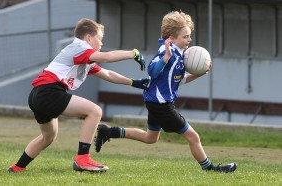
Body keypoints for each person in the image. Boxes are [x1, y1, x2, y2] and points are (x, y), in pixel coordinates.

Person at [94, 11, 237, 173]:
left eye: (189, 36)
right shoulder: (166, 52)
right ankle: (210, 168)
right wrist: (166, 58)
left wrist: (199, 73)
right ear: (172, 38)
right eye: (185, 36)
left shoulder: (179, 54)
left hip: (156, 102)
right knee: (193, 136)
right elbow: (152, 72)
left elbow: (179, 80)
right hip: (162, 106)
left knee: (150, 138)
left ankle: (108, 131)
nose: (189, 40)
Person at [8, 18, 149, 173]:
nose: (101, 44)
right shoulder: (80, 48)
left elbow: (107, 73)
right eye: (99, 39)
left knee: (48, 137)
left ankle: (17, 167)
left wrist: (133, 82)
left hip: (38, 94)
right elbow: (107, 57)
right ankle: (83, 159)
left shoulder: (82, 54)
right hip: (49, 92)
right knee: (95, 111)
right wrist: (132, 53)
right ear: (88, 38)